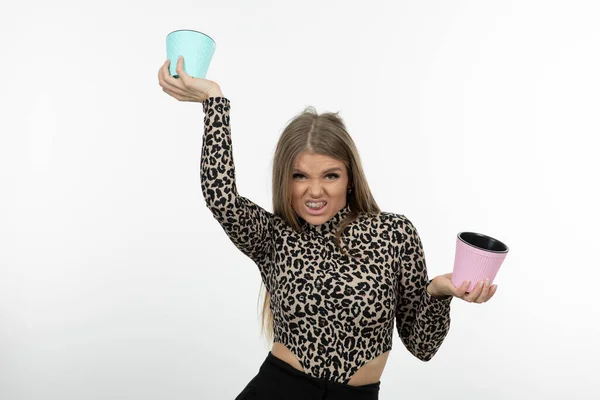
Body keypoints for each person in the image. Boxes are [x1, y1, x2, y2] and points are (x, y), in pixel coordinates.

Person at [158, 56, 498, 400]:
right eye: (300, 176)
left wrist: (437, 293)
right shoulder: (274, 236)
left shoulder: (394, 234)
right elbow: (221, 197)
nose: (315, 191)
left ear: (350, 178)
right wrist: (215, 100)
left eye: (330, 175)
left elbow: (423, 347)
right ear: (284, 181)